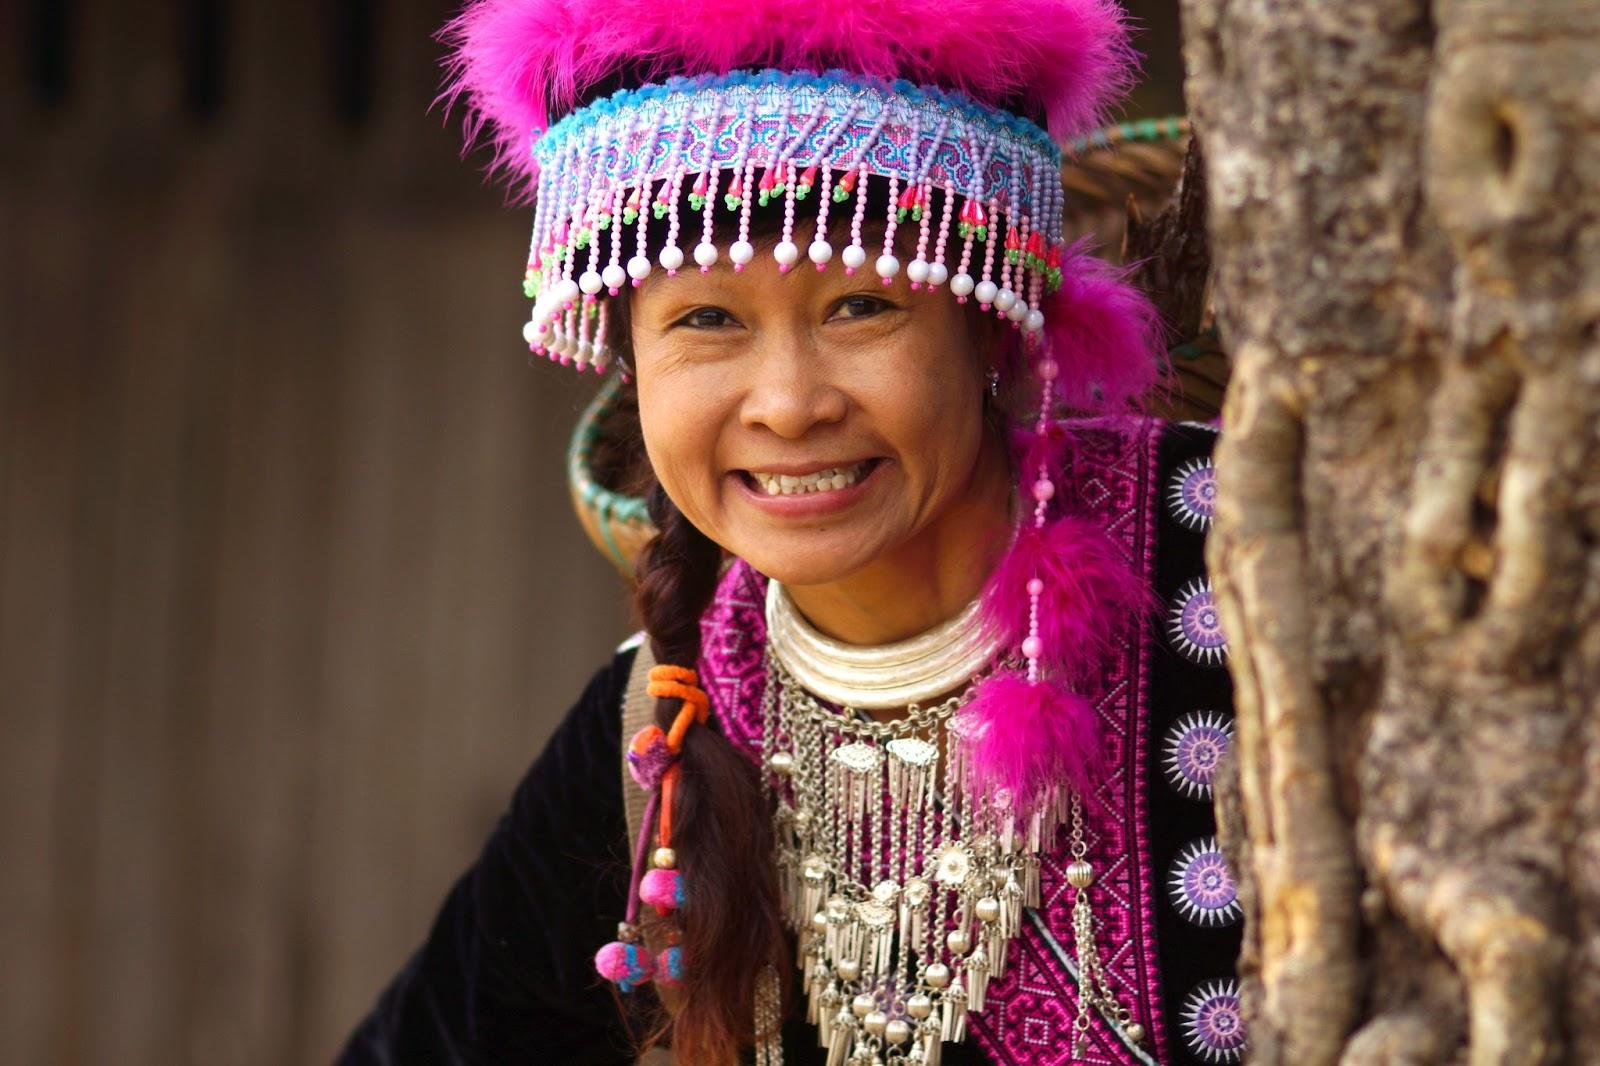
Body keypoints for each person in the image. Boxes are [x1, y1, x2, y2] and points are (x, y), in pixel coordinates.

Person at [339, 1, 1242, 1063]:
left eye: (861, 305)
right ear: (632, 365)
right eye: (706, 320)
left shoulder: (1233, 562)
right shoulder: (653, 742)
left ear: (990, 323)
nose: (788, 404)